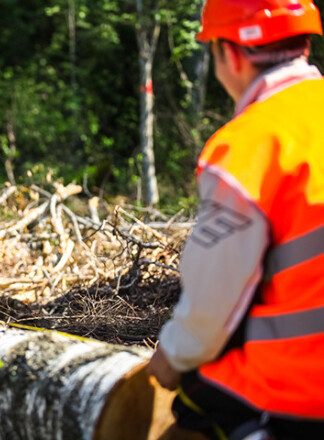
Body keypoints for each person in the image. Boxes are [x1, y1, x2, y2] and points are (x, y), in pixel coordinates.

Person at [147, 1, 324, 438]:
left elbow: (214, 301)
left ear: (230, 55)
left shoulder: (250, 146)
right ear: (303, 42)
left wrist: (169, 357)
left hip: (294, 394)